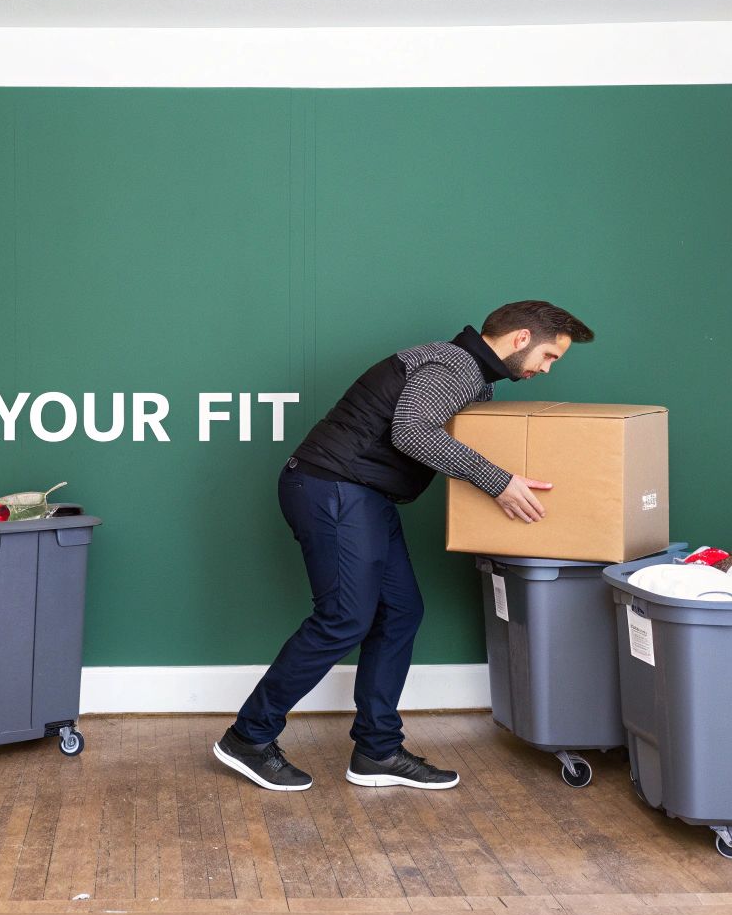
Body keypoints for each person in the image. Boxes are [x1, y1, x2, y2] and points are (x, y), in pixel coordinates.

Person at [213, 300, 594, 791]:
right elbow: (412, 432)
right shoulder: (454, 366)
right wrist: (496, 480)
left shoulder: (471, 372)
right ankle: (249, 736)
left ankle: (376, 750)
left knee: (400, 612)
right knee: (344, 617)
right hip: (334, 487)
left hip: (362, 495)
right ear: (520, 339)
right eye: (549, 356)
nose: (545, 369)